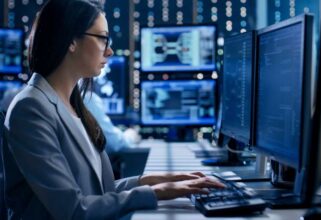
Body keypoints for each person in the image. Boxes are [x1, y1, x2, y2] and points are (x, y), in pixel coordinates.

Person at [2, 0, 224, 219]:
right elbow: (74, 209)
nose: (109, 51)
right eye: (103, 39)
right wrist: (155, 193)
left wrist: (153, 181)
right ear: (71, 41)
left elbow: (96, 192)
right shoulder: (30, 109)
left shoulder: (71, 103)